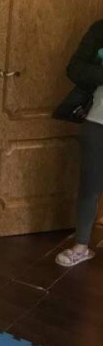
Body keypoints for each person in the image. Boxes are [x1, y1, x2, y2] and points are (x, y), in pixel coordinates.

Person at [55, 19, 103, 267]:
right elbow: (75, 68)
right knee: (90, 184)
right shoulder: (100, 29)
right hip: (98, 119)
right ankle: (82, 245)